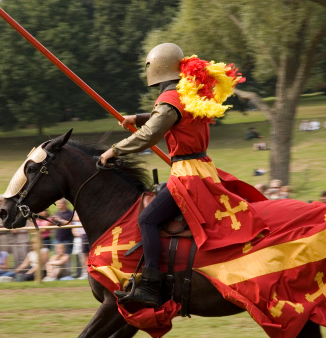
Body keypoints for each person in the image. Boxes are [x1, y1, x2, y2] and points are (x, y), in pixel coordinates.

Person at [100, 43, 258, 307]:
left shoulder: (169, 99)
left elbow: (152, 133)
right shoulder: (189, 93)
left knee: (148, 221)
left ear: (156, 69)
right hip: (203, 169)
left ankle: (151, 285)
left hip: (187, 175)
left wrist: (114, 151)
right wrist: (137, 117)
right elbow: (169, 118)